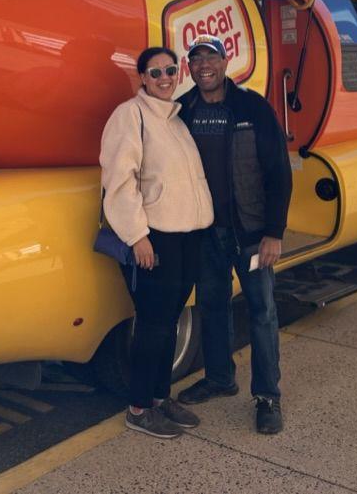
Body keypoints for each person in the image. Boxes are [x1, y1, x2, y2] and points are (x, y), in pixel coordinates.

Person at [176, 34, 292, 435]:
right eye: (196, 59)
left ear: (225, 64)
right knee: (212, 307)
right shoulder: (183, 109)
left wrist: (273, 233)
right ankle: (220, 378)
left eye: (211, 57)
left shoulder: (252, 107)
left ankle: (267, 397)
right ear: (189, 68)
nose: (203, 64)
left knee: (261, 313)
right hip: (205, 232)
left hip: (251, 233)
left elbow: (279, 172)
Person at [99, 46, 214, 439]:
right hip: (155, 238)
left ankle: (161, 398)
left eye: (170, 70)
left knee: (169, 322)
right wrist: (138, 237)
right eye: (155, 72)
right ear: (143, 79)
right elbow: (119, 182)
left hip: (187, 237)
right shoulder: (130, 116)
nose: (165, 78)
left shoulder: (176, 120)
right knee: (153, 324)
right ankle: (138, 407)